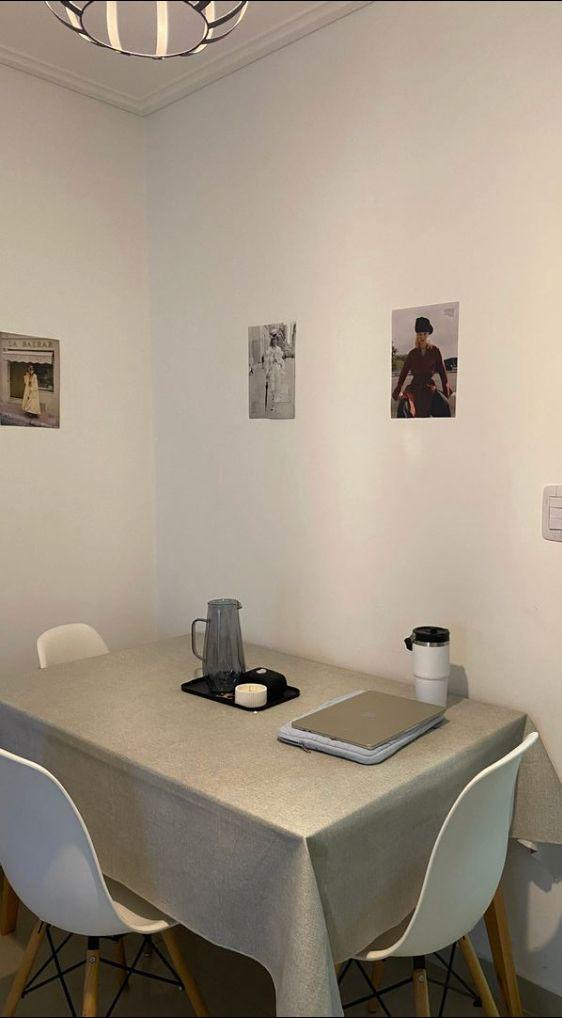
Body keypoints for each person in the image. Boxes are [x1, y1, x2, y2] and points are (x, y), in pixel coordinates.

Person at [392, 317, 451, 418]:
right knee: (403, 407)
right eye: (420, 334)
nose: (422, 337)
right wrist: (398, 389)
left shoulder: (435, 351)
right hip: (414, 388)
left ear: (428, 334)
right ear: (416, 335)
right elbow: (404, 372)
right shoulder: (412, 353)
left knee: (444, 405)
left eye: (425, 333)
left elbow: (442, 372)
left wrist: (446, 390)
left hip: (430, 388)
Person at [264, 333, 285, 413]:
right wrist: (267, 372)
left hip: (277, 370)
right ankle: (273, 402)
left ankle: (275, 404)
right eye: (273, 340)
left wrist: (278, 361)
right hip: (272, 370)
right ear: (271, 341)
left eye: (276, 340)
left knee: (277, 387)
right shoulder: (269, 350)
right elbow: (266, 362)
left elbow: (281, 361)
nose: (274, 342)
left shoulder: (279, 349)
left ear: (277, 341)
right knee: (272, 387)